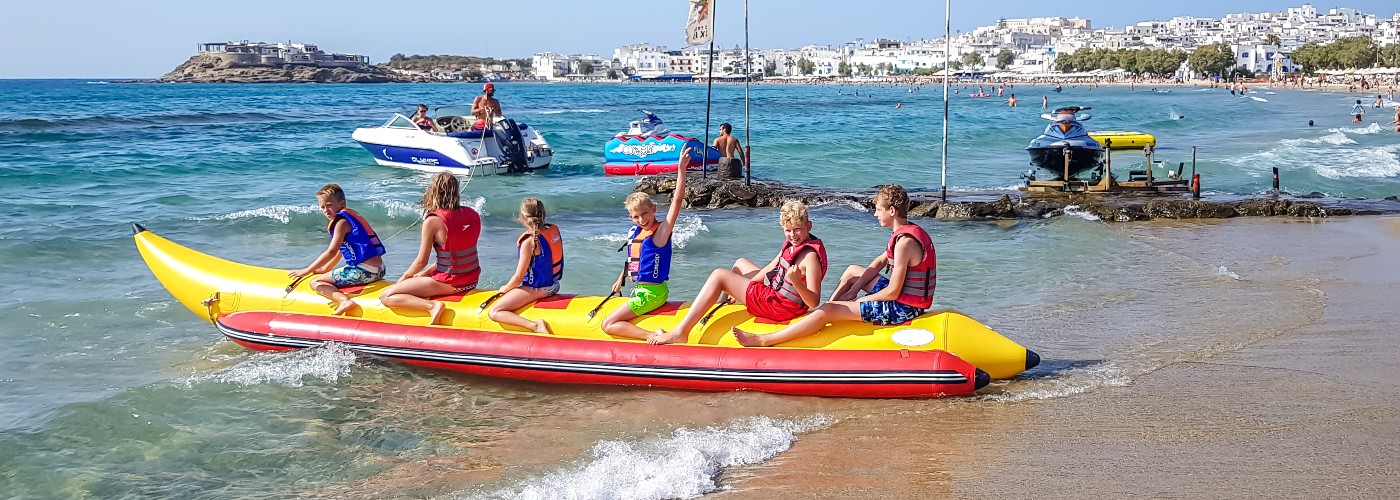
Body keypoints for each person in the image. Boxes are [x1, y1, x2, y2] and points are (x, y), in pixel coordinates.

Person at [734, 184, 935, 347]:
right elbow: (878, 263)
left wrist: (859, 301)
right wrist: (853, 291)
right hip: (903, 300)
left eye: (878, 210)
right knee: (852, 271)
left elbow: (892, 292)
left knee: (831, 308)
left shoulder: (904, 243)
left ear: (891, 211)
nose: (875, 214)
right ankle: (823, 315)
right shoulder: (907, 232)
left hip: (903, 308)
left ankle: (765, 340)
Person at [650, 200, 827, 345]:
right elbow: (769, 269)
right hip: (775, 294)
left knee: (719, 275)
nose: (793, 235)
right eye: (788, 230)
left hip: (780, 308)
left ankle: (681, 332)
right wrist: (741, 288)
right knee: (740, 264)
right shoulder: (791, 245)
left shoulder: (810, 257)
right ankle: (721, 306)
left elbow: (813, 301)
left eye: (798, 229)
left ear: (809, 226)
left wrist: (796, 281)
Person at [600, 148, 690, 340]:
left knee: (607, 324)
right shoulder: (637, 232)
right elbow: (634, 258)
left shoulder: (660, 233)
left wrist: (681, 170)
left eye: (645, 214)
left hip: (652, 294)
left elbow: (677, 201)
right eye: (636, 217)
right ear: (630, 217)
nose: (641, 220)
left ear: (654, 209)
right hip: (644, 292)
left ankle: (652, 335)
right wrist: (620, 279)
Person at [380, 172, 481, 325]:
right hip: (472, 280)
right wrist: (427, 272)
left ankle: (432, 307)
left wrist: (403, 279)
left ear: (434, 191)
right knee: (420, 276)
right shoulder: (473, 214)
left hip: (451, 284)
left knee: (386, 296)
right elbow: (456, 255)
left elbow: (421, 261)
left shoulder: (434, 220)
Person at [289, 184, 388, 315]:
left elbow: (331, 252)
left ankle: (344, 301)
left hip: (364, 272)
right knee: (330, 274)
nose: (326, 210)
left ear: (341, 204)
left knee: (316, 282)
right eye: (322, 207)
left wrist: (307, 270)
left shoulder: (341, 223)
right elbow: (343, 249)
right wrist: (326, 268)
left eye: (329, 205)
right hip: (380, 270)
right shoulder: (351, 218)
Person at [487, 197, 562, 335]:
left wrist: (505, 289)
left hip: (539, 289)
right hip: (555, 285)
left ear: (522, 217)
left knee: (495, 311)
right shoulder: (553, 230)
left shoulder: (529, 242)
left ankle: (535, 326)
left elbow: (518, 277)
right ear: (543, 214)